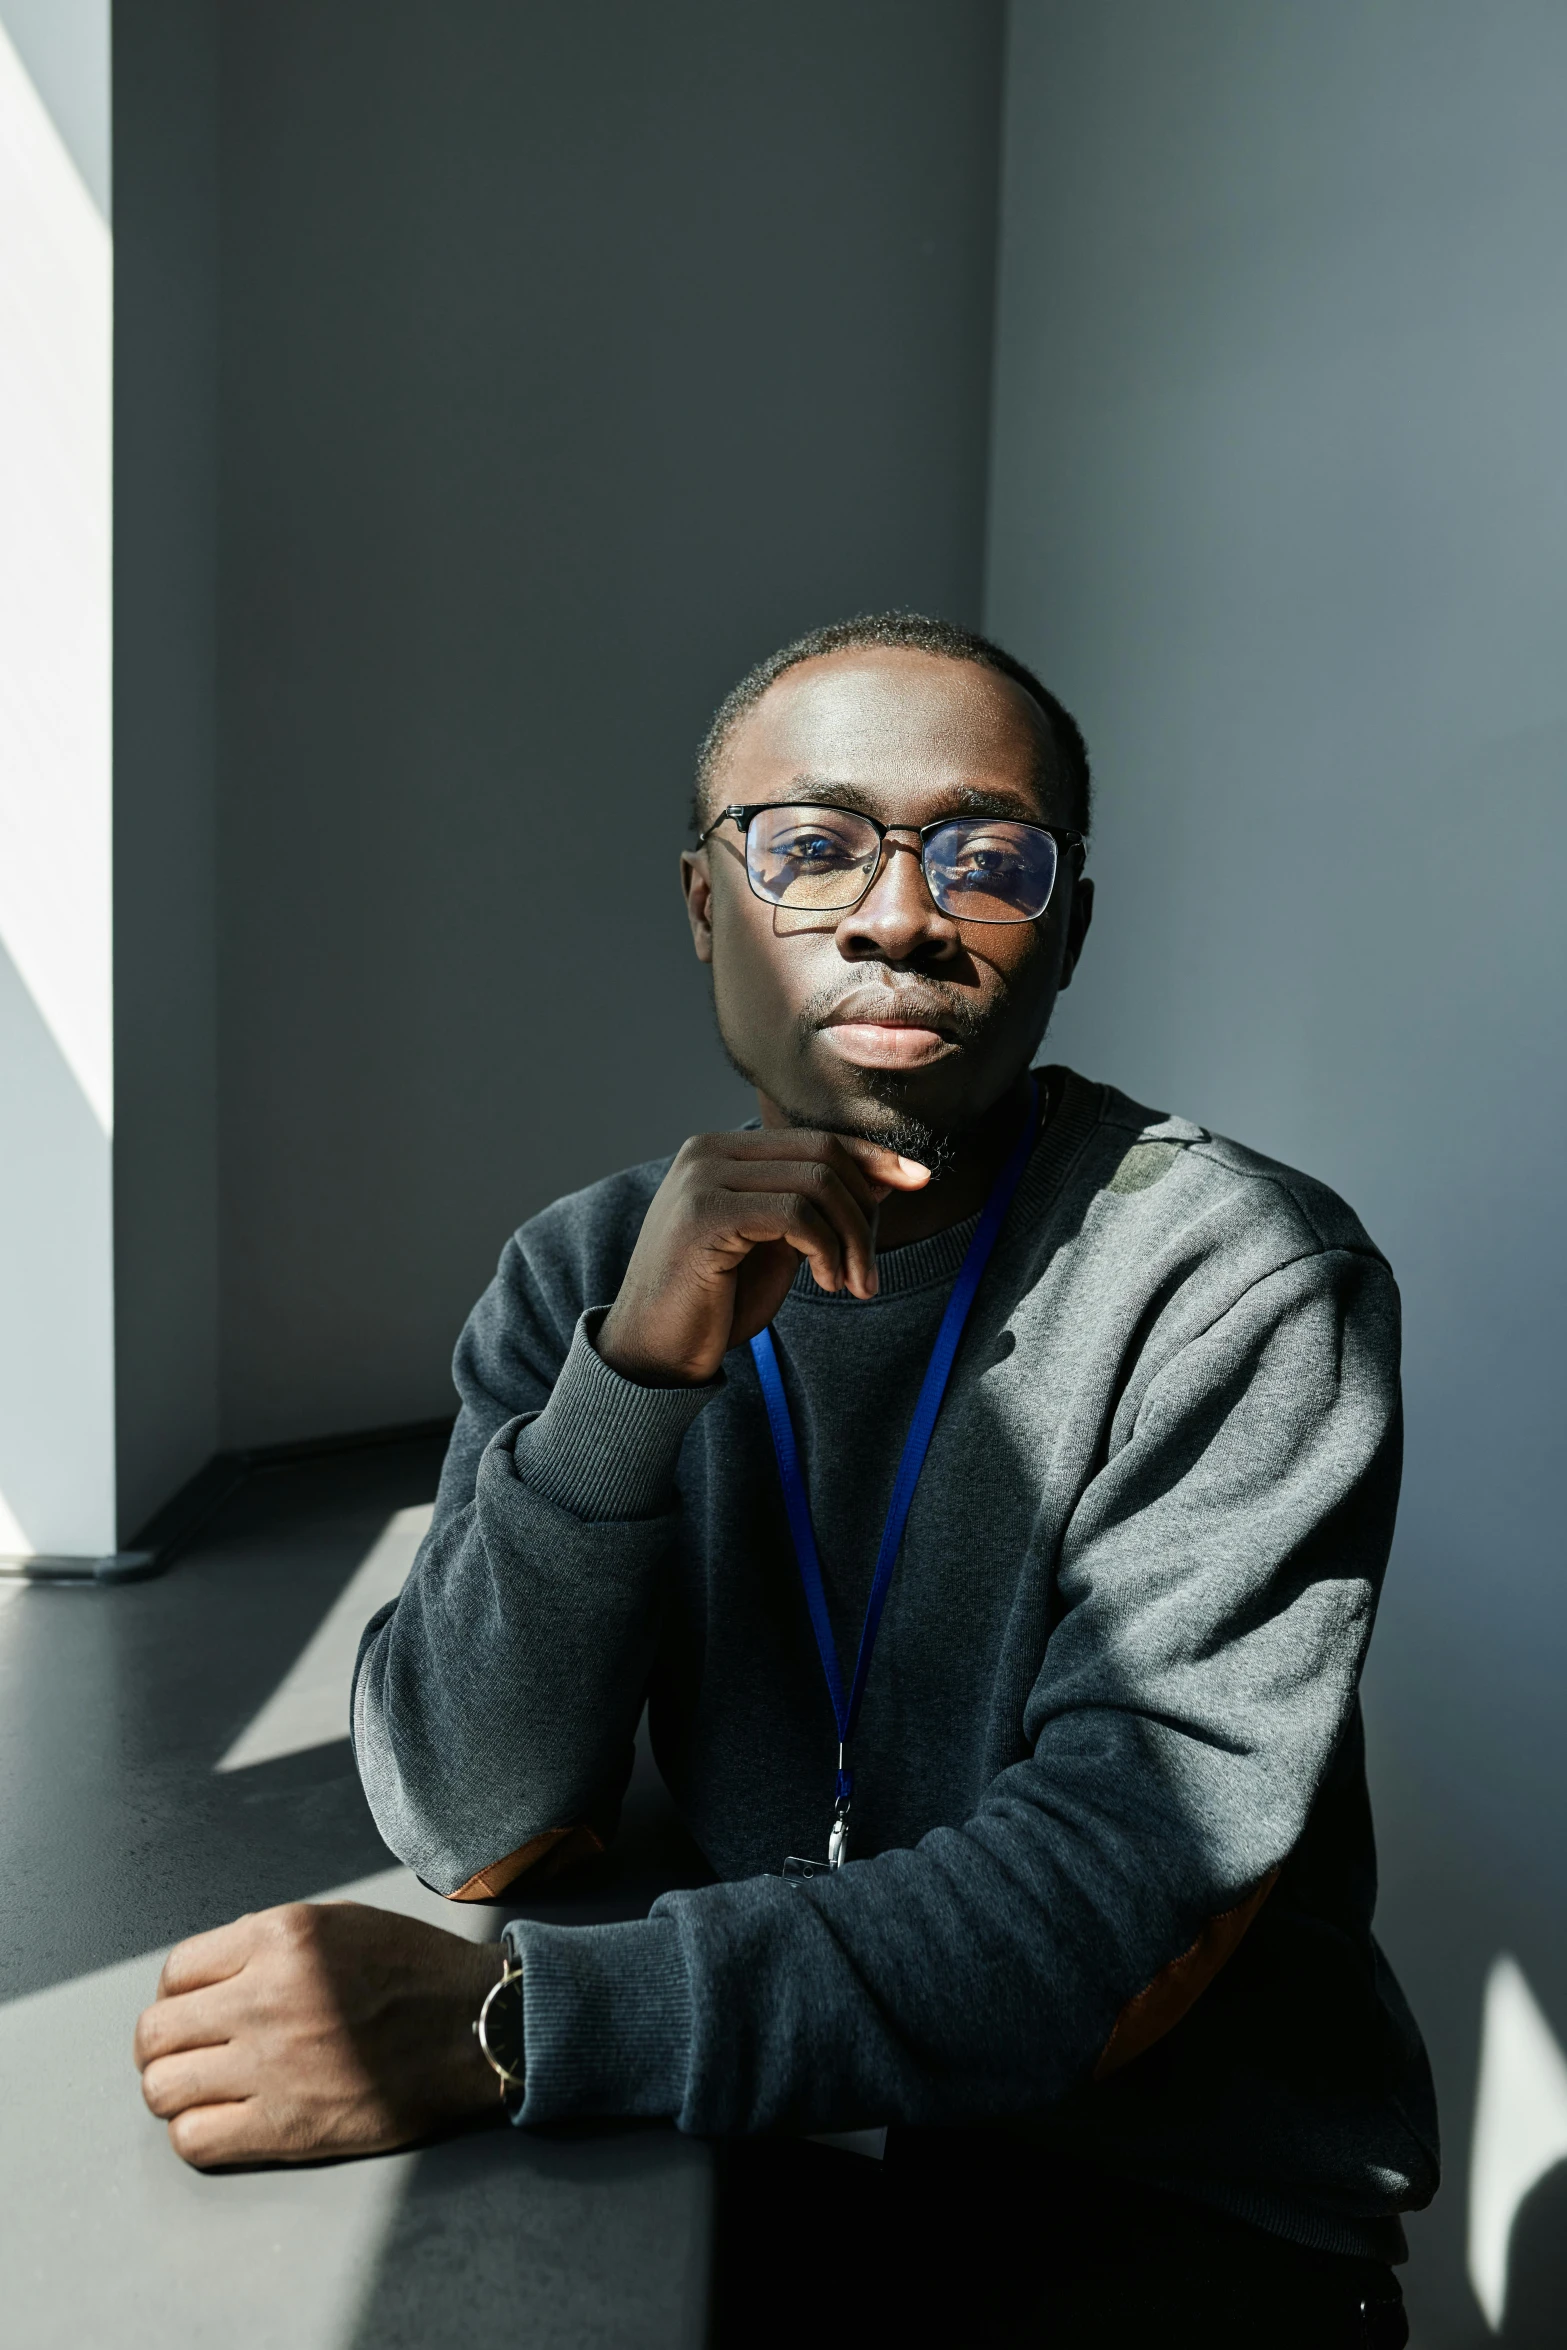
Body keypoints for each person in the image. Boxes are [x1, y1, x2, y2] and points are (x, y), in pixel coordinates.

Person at [134, 613, 1435, 2344]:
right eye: (811, 848)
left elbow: (1115, 1900)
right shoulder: (587, 1264)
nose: (898, 915)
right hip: (757, 2139)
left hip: (1151, 2203)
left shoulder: (1239, 1276)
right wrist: (632, 1375)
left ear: (1067, 929)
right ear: (703, 908)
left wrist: (519, 2021)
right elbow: (466, 1803)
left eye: (988, 859)